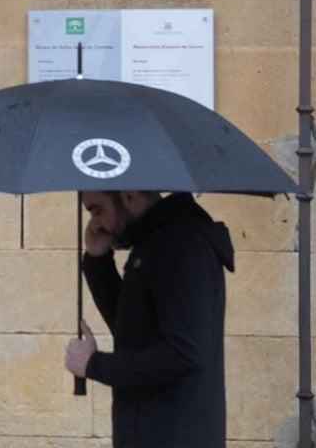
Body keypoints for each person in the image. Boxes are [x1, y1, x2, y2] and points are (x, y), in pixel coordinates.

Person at [64, 190, 234, 447]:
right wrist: (98, 261)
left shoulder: (179, 245)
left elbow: (184, 352)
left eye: (97, 210)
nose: (96, 223)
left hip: (172, 436)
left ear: (129, 197)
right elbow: (134, 332)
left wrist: (95, 365)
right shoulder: (156, 242)